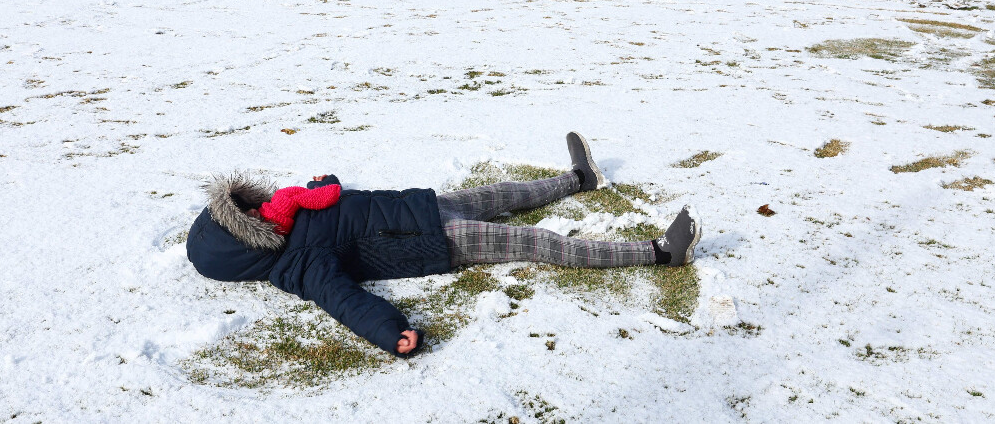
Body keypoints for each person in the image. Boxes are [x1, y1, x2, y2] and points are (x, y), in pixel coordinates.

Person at [186, 132, 702, 357]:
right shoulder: (296, 266)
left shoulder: (288, 210)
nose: (255, 209)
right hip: (435, 241)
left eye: (245, 204)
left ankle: (578, 179)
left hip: (424, 206)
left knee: (505, 193)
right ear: (244, 244)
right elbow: (345, 302)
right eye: (244, 216)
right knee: (535, 241)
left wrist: (324, 182)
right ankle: (659, 253)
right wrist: (391, 332)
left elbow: (337, 200)